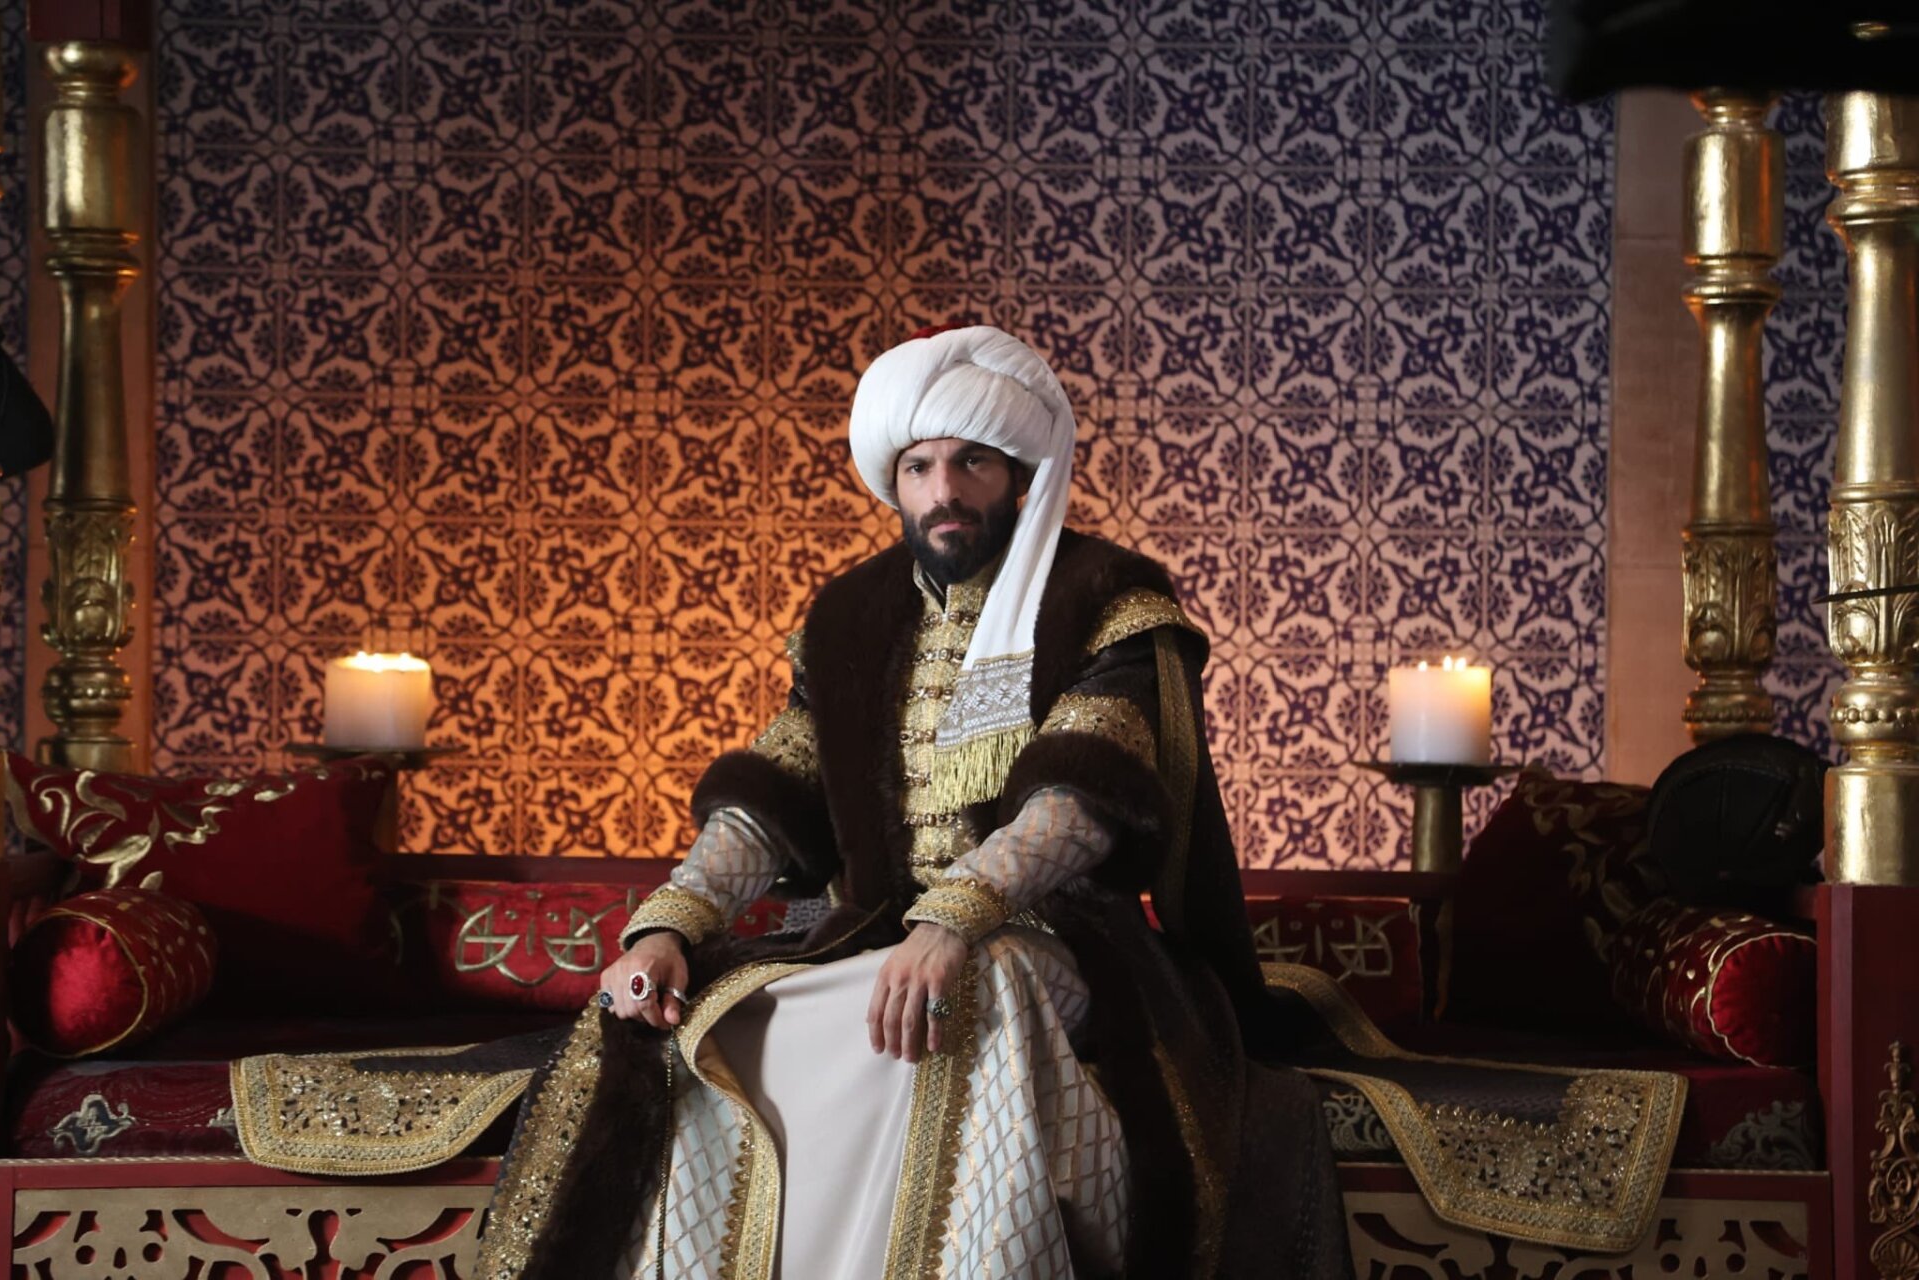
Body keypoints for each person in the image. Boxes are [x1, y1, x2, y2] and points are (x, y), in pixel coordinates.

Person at [473, 323, 1352, 1280]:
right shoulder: (849, 618)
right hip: (870, 931)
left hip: (1069, 941)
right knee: (707, 1012)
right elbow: (773, 792)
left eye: (972, 461)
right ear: (892, 482)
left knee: (975, 985)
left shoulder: (1104, 600)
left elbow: (1081, 800)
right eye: (920, 466)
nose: (945, 490)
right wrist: (669, 922)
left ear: (1017, 473)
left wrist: (956, 919)